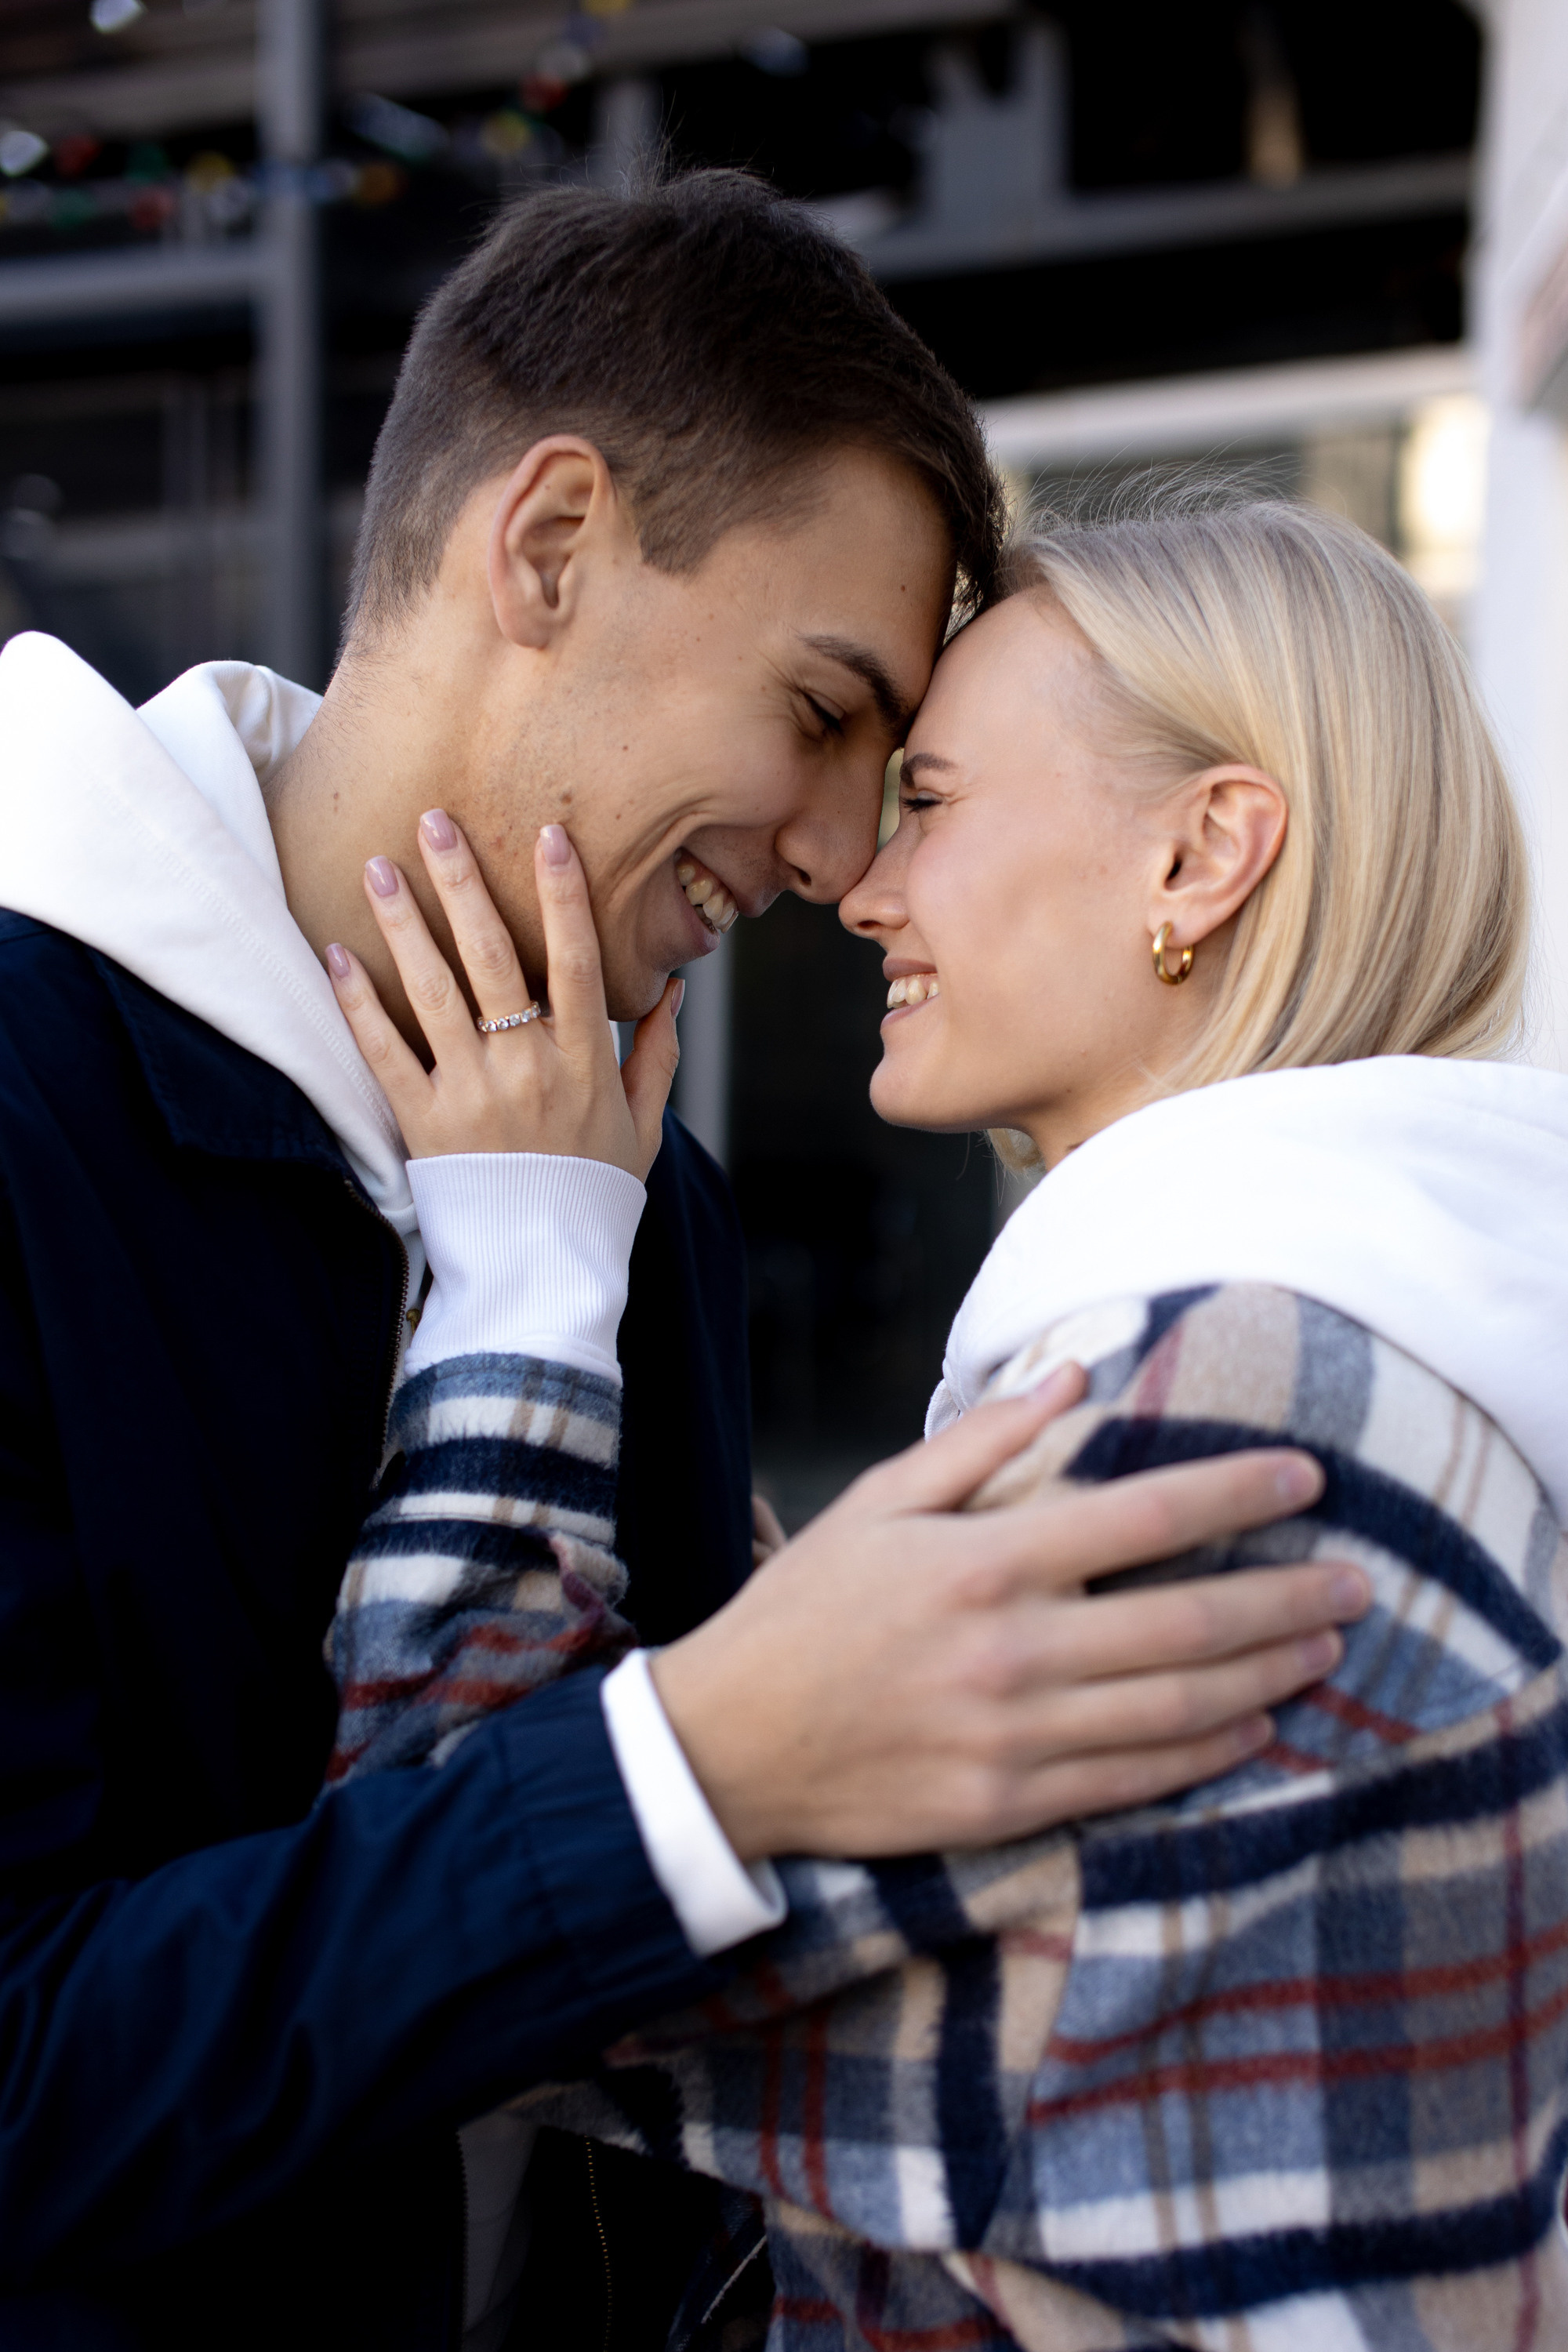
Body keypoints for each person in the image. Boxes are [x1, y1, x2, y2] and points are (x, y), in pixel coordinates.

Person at [0, 179, 1360, 2350]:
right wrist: (698, 1760)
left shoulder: (654, 1197)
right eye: (823, 716)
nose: (839, 861)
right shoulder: (25, 1090)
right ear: (545, 547)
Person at [331, 492, 1568, 2350]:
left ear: (1204, 853)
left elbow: (470, 1944)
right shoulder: (1401, 1342)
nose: (860, 885)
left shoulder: (1197, 1437)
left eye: (931, 798)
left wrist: (528, 1258)